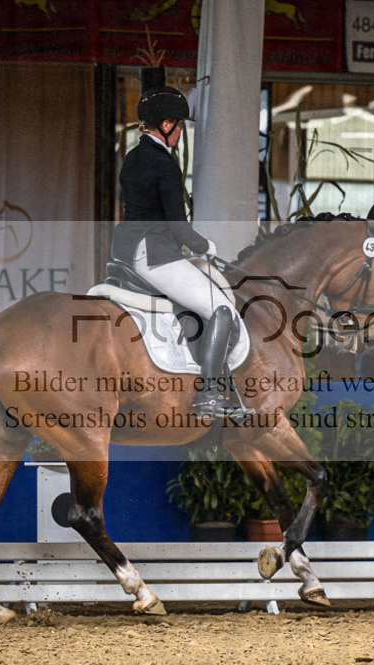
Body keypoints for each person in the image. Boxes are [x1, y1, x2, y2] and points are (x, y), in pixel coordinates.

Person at [111, 85, 249, 418]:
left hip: (126, 250)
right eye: (179, 124)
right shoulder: (165, 165)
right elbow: (177, 225)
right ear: (167, 124)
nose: (180, 131)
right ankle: (210, 395)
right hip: (156, 253)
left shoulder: (131, 157)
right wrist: (207, 247)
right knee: (222, 309)